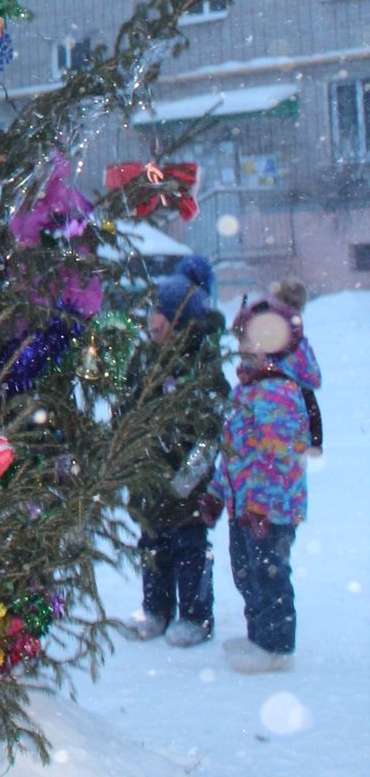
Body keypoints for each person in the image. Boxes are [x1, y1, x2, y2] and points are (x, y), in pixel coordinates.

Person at [199, 289, 321, 673]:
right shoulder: (248, 390)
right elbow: (235, 452)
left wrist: (260, 506)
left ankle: (276, 646)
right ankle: (258, 637)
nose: (240, 351)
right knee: (245, 571)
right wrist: (219, 494)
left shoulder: (280, 392)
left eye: (246, 343)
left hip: (270, 508)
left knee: (269, 575)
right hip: (244, 506)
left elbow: (279, 456)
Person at [129, 253, 226, 646]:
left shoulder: (201, 367)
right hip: (148, 475)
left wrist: (190, 475)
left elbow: (212, 430)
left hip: (186, 480)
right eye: (153, 311)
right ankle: (156, 610)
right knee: (152, 546)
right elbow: (128, 409)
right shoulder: (144, 361)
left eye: (163, 314)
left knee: (189, 548)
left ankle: (196, 617)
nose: (154, 321)